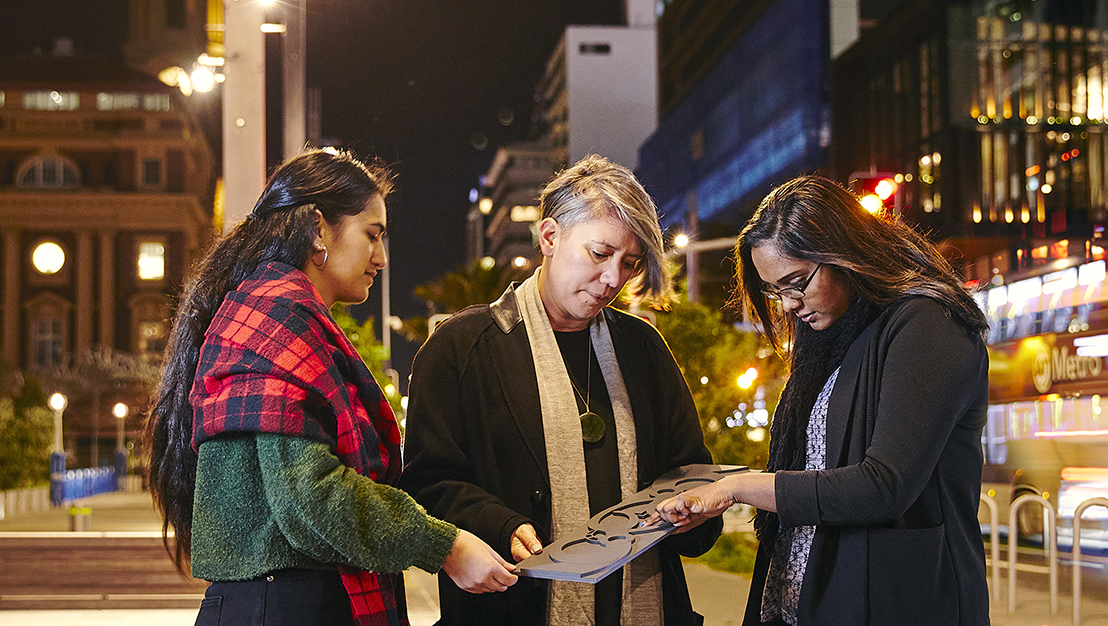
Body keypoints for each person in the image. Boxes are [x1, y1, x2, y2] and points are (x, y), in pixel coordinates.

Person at [145, 149, 516, 626]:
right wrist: (446, 545)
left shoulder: (265, 308)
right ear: (318, 229)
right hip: (288, 606)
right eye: (372, 235)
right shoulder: (277, 315)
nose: (380, 257)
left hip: (276, 603)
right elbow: (311, 498)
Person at [654, 175, 991, 626]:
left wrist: (737, 488)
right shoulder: (829, 338)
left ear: (844, 253)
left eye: (796, 283)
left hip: (896, 602)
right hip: (804, 602)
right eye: (776, 291)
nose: (789, 304)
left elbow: (883, 486)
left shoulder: (928, 325)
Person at [400, 156, 722, 626]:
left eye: (629, 264)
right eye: (599, 254)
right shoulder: (460, 348)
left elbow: (691, 470)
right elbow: (428, 483)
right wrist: (500, 523)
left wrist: (693, 510)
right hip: (511, 606)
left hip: (644, 607)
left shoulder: (642, 348)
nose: (613, 279)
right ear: (549, 237)